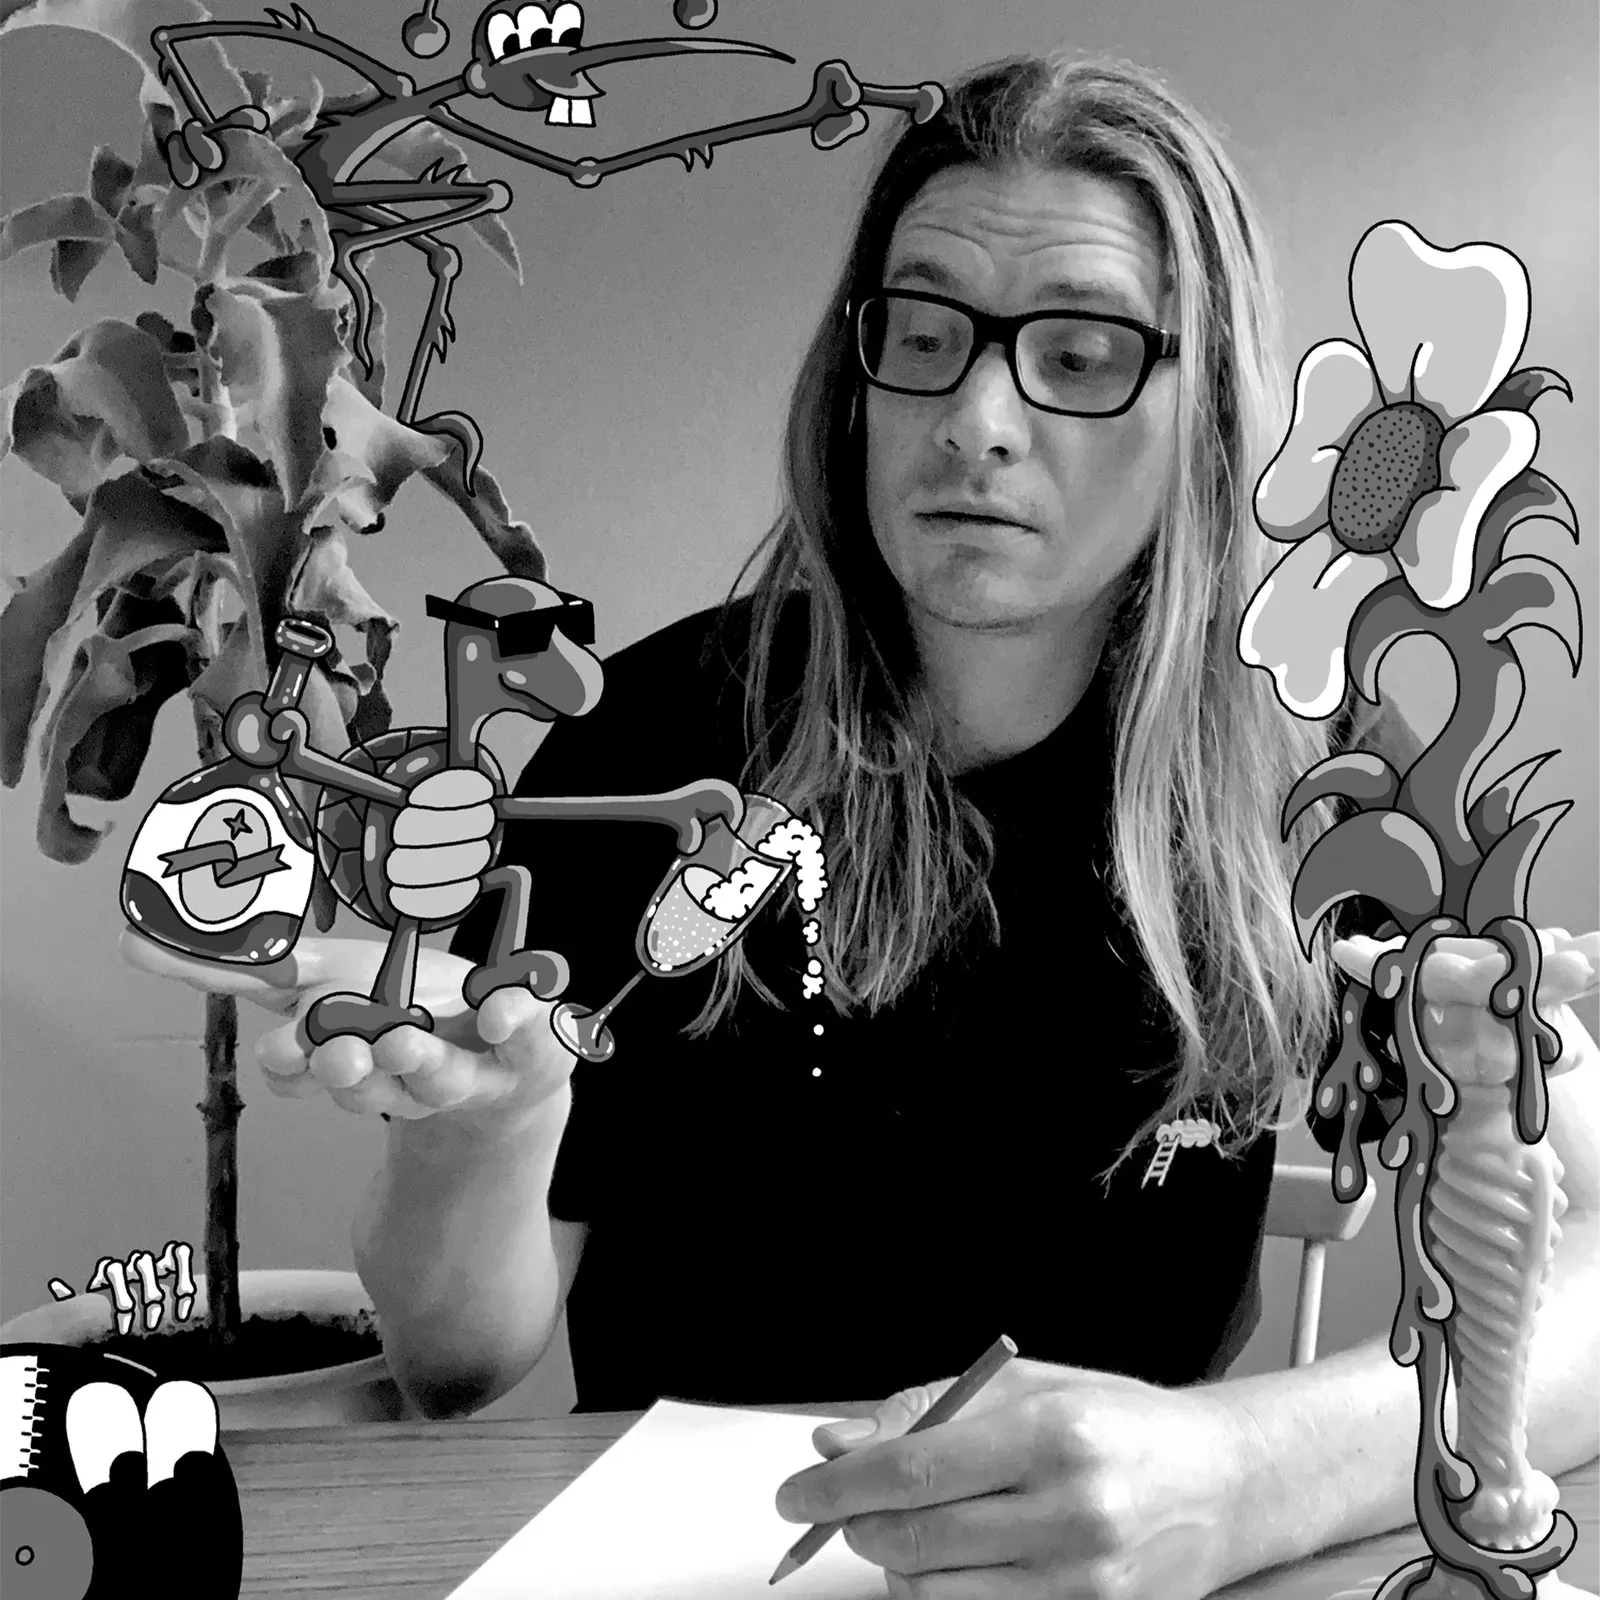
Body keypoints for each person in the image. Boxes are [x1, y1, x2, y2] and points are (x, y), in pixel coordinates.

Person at [126, 52, 1599, 1600]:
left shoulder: (1319, 775)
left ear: (1211, 409)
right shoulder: (654, 740)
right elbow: (454, 1370)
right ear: (858, 373)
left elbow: (1589, 1276)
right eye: (926, 334)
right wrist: (482, 1133)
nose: (976, 419)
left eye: (1083, 352)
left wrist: (1245, 1476)